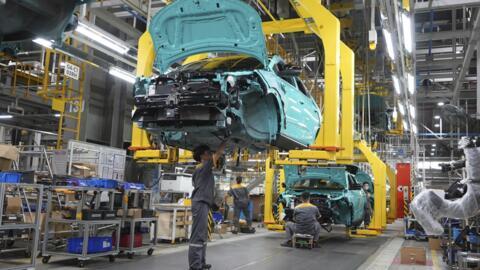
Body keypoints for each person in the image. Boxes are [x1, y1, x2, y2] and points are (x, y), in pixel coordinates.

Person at [188, 140, 228, 270]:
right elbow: (218, 153)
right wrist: (226, 140)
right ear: (203, 156)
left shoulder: (201, 170)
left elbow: (202, 188)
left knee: (203, 234)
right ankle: (195, 265)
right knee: (198, 235)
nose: (211, 155)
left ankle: (201, 262)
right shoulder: (203, 167)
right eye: (208, 153)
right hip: (200, 204)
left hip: (203, 203)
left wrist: (213, 204)